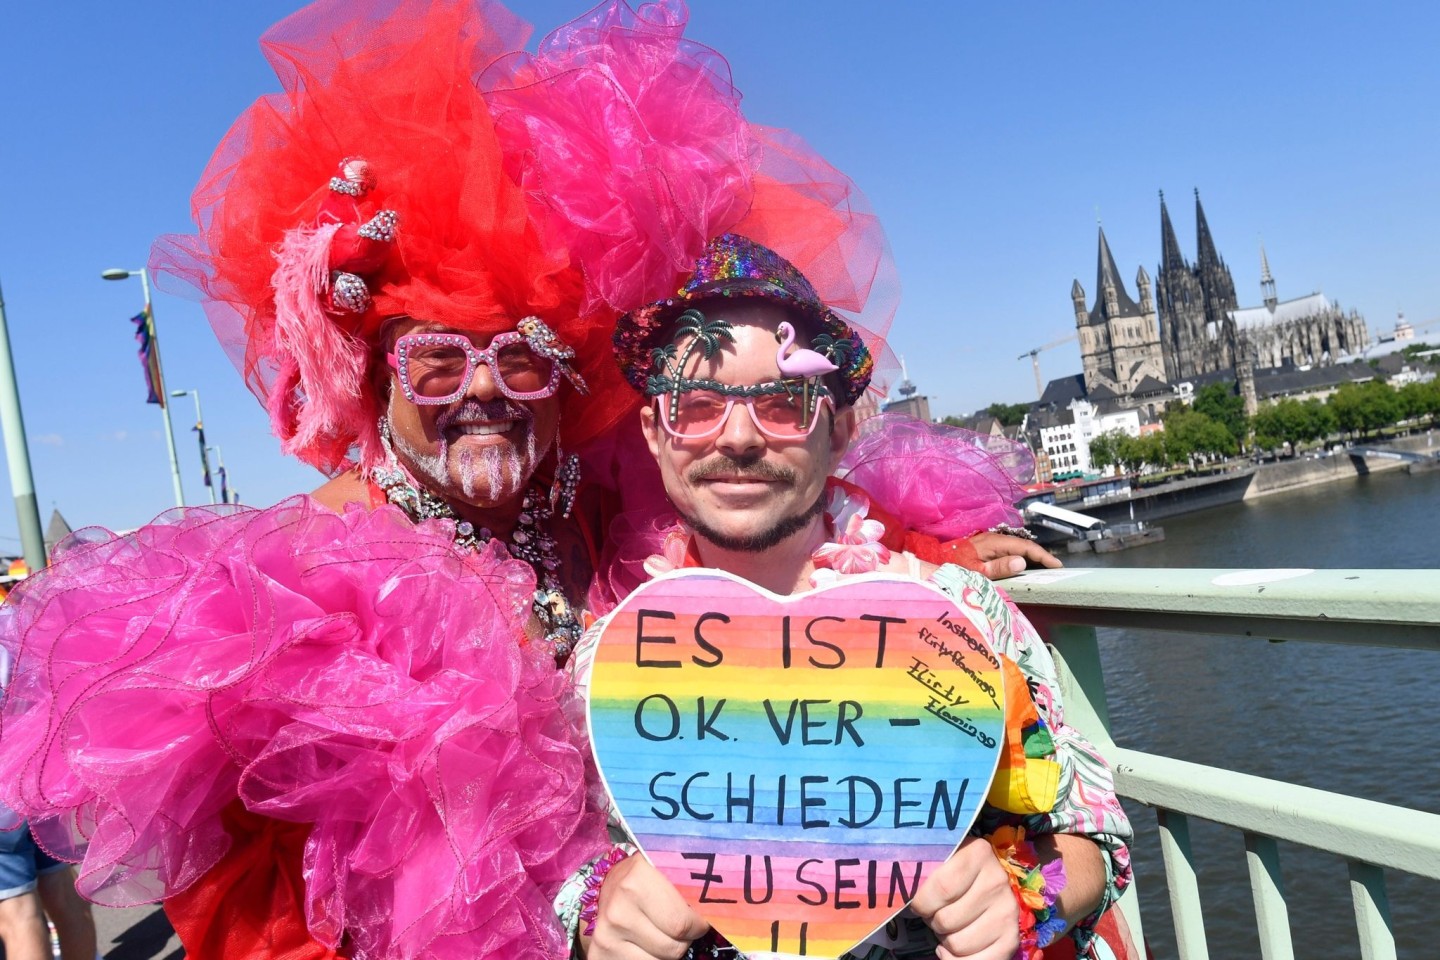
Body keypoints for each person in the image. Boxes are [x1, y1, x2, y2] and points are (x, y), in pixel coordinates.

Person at [571, 234, 1133, 960]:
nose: (738, 437)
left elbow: (1095, 842)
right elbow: (565, 878)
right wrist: (598, 920)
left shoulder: (954, 616)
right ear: (654, 434)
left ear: (838, 432)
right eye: (697, 405)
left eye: (782, 404)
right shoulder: (607, 661)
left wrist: (1026, 896)